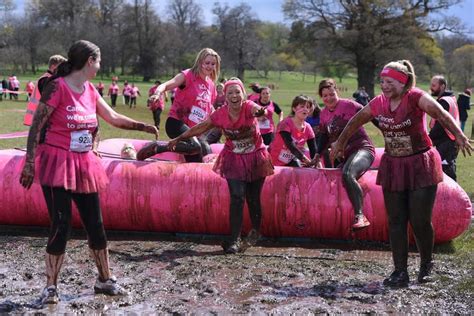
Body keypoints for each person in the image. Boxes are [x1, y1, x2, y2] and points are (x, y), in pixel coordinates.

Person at [19, 40, 159, 304]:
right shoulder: (57, 88)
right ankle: (50, 287)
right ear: (89, 61)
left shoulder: (90, 89)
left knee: (95, 224)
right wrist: (29, 162)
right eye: (99, 61)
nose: (100, 65)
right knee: (61, 225)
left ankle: (104, 280)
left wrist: (141, 127)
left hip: (84, 164)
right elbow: (36, 126)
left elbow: (113, 117)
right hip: (57, 163)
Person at [331, 60, 472, 287]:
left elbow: (441, 114)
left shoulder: (416, 97)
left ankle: (426, 266)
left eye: (389, 82)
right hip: (394, 165)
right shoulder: (379, 103)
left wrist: (459, 135)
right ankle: (399, 271)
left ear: (402, 81)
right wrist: (340, 142)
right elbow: (356, 120)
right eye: (382, 82)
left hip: (420, 164)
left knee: (419, 221)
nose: (384, 86)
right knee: (395, 220)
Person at [164, 79, 274, 253]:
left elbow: (259, 110)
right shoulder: (220, 114)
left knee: (253, 198)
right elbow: (200, 128)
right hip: (233, 158)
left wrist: (260, 111)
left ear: (243, 94)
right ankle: (233, 240)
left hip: (255, 157)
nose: (234, 96)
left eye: (237, 92)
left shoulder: (249, 106)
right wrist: (178, 138)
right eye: (230, 92)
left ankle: (255, 231)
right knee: (237, 196)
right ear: (225, 96)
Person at [316, 79, 375, 230]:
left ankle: (360, 216)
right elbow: (323, 137)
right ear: (321, 97)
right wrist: (316, 155)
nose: (329, 98)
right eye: (325, 96)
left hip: (363, 149)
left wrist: (389, 132)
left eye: (332, 94)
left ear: (337, 92)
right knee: (340, 176)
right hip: (345, 155)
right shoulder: (323, 114)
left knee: (348, 174)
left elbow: (372, 114)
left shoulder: (349, 105)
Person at [143, 48, 221, 162]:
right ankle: (157, 148)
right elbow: (166, 85)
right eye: (207, 63)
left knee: (203, 153)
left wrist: (222, 117)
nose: (209, 66)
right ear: (200, 62)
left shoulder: (211, 85)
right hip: (176, 123)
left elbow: (209, 109)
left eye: (213, 64)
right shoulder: (188, 75)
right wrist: (157, 94)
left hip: (195, 131)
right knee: (196, 146)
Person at [270, 95, 317, 167]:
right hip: (272, 162)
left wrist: (316, 163)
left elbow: (313, 149)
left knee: (298, 170)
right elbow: (290, 145)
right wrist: (305, 159)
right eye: (302, 106)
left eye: (307, 107)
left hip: (290, 161)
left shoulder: (308, 127)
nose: (305, 109)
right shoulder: (285, 124)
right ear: (294, 109)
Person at [429, 75, 459, 181]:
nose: (431, 88)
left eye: (434, 85)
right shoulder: (450, 98)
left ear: (442, 86)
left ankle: (454, 196)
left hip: (447, 141)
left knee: (446, 170)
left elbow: (441, 124)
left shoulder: (444, 101)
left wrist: (429, 137)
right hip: (448, 140)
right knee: (446, 168)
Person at [24, 55, 67, 126]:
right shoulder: (46, 80)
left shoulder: (50, 79)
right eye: (61, 66)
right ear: (53, 67)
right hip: (42, 119)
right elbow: (50, 101)